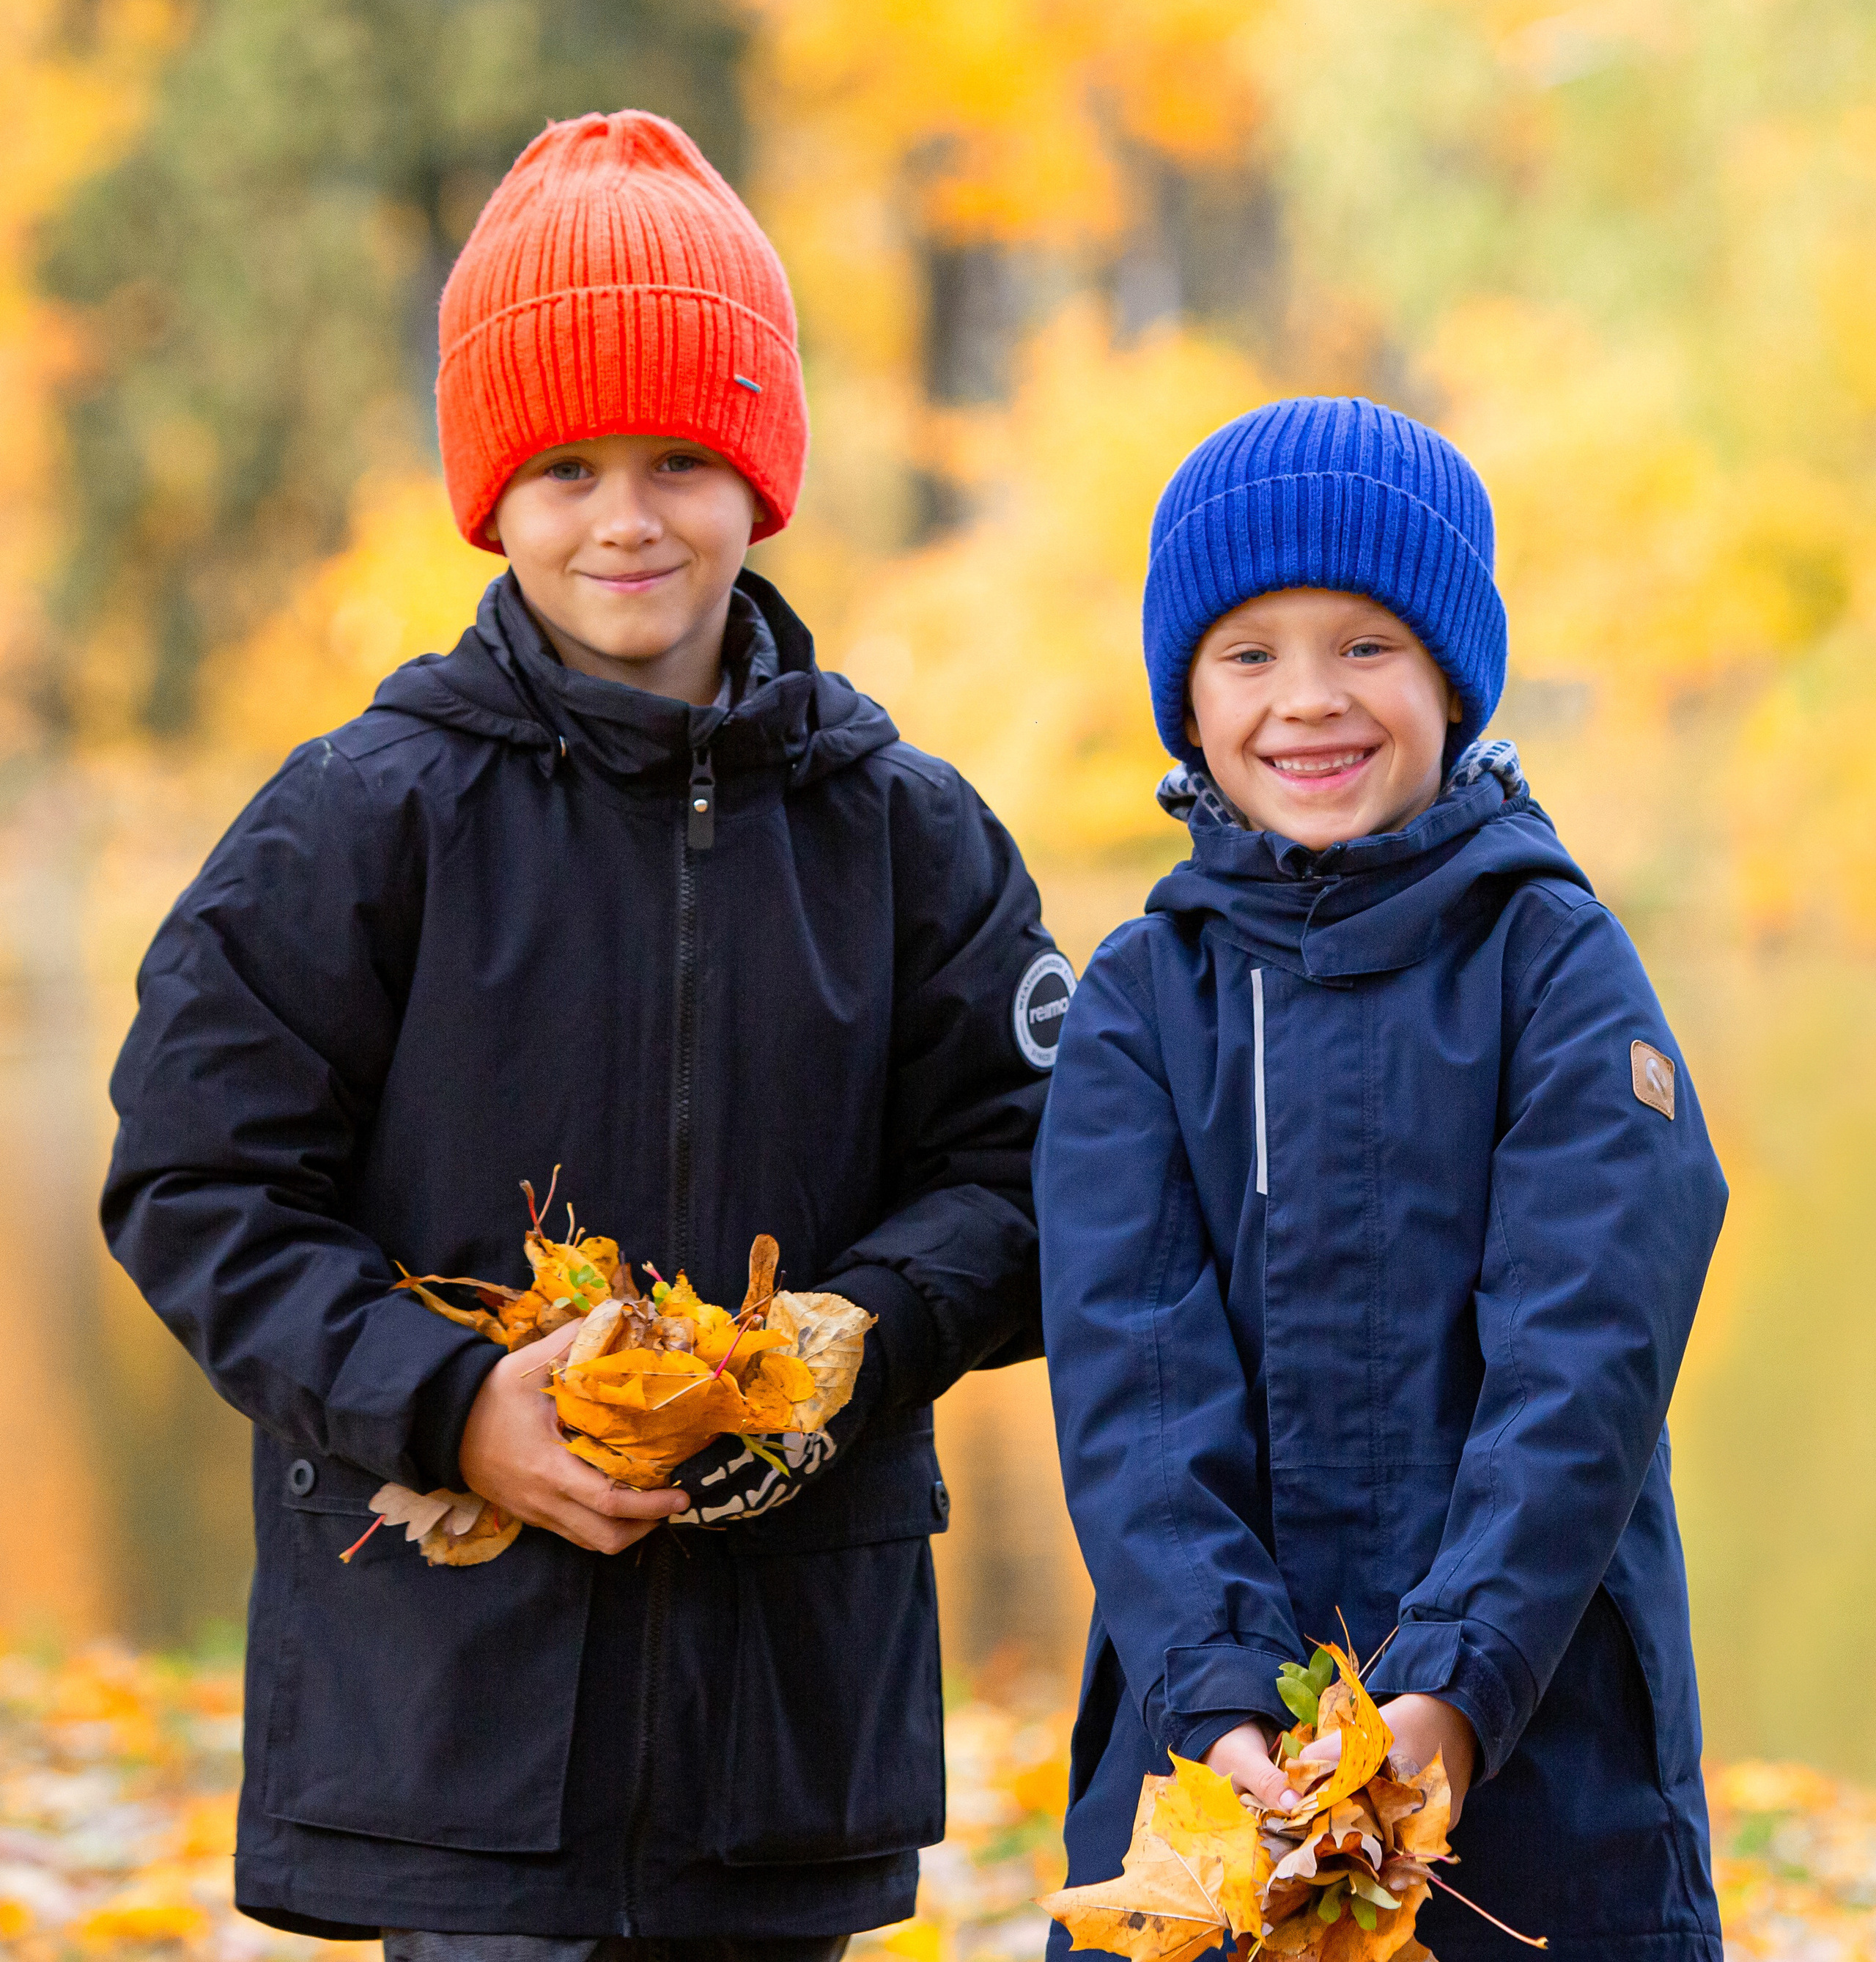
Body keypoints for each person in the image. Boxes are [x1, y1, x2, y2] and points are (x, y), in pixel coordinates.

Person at [102, 110, 1066, 1961]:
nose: (624, 517)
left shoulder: (903, 831)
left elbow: (1032, 1169)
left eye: (679, 458)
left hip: (782, 1727)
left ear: (760, 474)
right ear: (491, 494)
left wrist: (859, 1334)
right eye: (565, 468)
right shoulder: (358, 820)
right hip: (458, 1730)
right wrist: (446, 1404)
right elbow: (196, 1186)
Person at [1036, 397, 1727, 1960]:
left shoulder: (1555, 963)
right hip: (1211, 1776)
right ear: (1184, 695)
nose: (1307, 701)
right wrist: (1218, 1712)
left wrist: (1452, 1690)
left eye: (1365, 647)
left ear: (1447, 677)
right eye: (1248, 654)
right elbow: (1133, 1396)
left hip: (1536, 1766)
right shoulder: (1144, 1000)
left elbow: (1584, 1355)